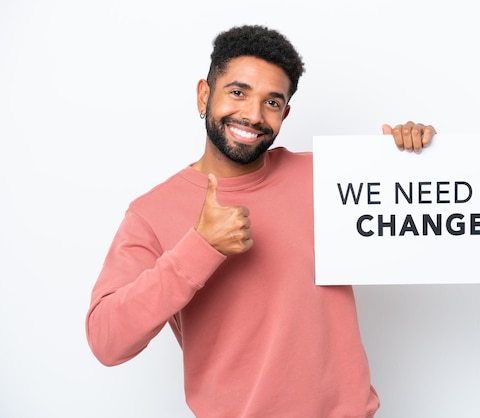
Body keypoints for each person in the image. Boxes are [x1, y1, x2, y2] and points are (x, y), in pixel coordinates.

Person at [86, 24, 436, 418]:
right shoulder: (151, 213)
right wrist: (199, 247)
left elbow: (421, 215)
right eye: (238, 92)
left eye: (272, 102)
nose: (252, 115)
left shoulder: (332, 177)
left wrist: (413, 157)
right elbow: (106, 341)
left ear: (285, 113)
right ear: (204, 95)